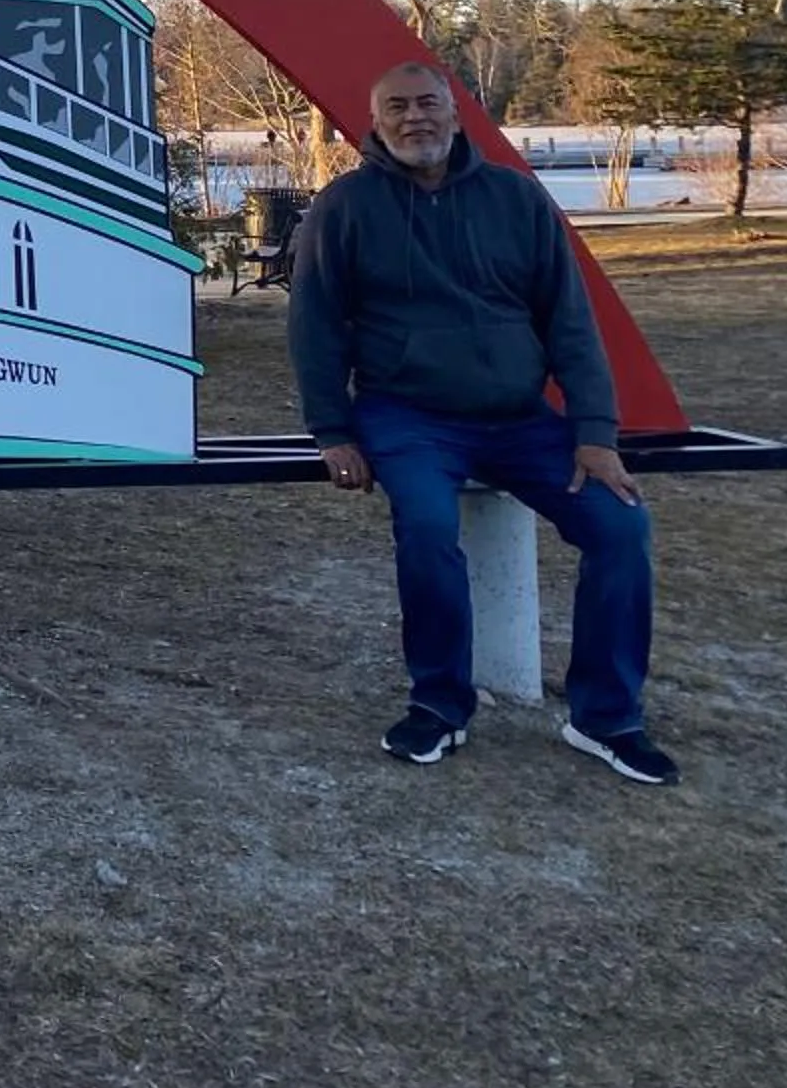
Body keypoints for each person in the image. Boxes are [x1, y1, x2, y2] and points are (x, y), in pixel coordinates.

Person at [287, 63, 676, 784]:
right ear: (376, 123)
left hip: (521, 420)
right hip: (408, 417)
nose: (414, 119)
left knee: (621, 528)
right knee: (429, 530)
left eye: (428, 105)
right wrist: (330, 429)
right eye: (396, 108)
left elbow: (571, 323)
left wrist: (594, 431)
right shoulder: (344, 208)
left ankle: (607, 716)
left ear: (456, 114)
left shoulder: (515, 200)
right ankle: (439, 705)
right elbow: (315, 326)